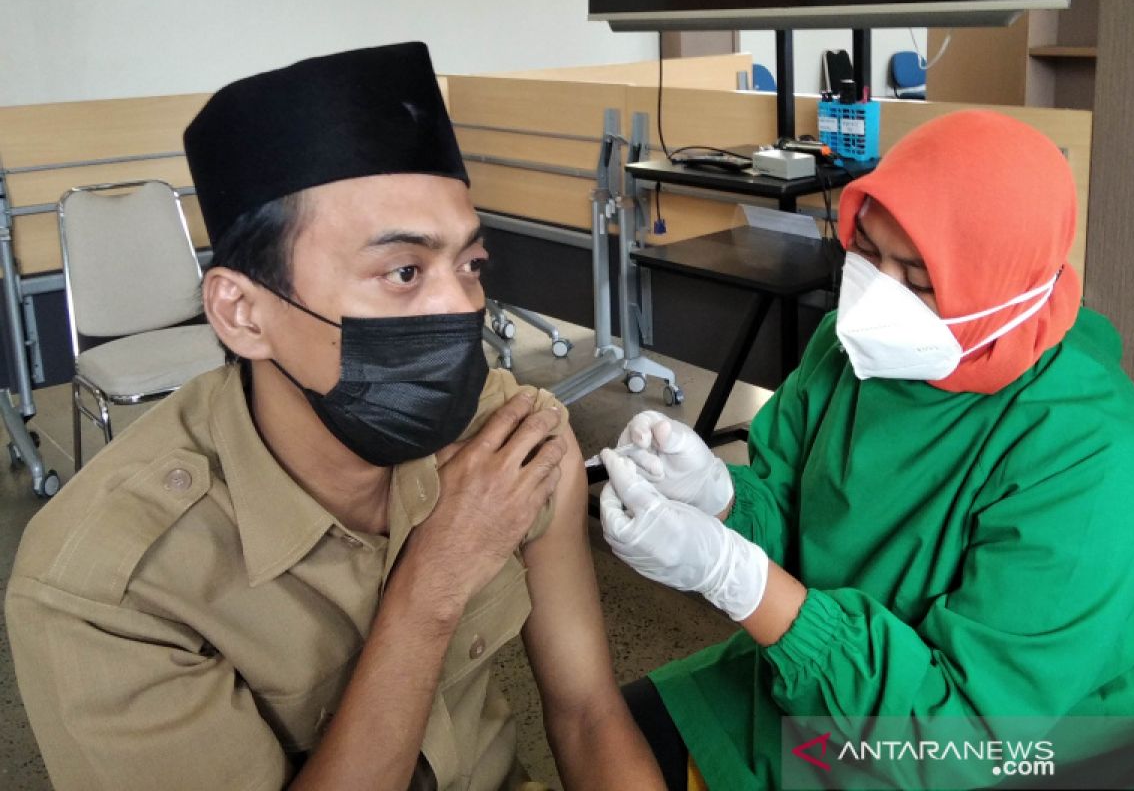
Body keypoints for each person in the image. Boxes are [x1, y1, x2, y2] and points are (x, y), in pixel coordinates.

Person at [6, 43, 665, 791]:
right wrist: (433, 585)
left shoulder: (508, 439)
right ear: (244, 313)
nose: (459, 309)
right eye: (404, 272)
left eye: (470, 265)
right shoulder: (108, 590)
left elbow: (585, 713)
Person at [599, 110, 1134, 790]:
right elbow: (793, 505)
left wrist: (731, 574)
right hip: (854, 673)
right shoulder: (847, 350)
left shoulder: (1091, 463)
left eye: (917, 279)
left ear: (1003, 290)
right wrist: (720, 498)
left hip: (1021, 745)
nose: (873, 298)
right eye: (866, 253)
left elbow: (962, 735)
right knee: (612, 733)